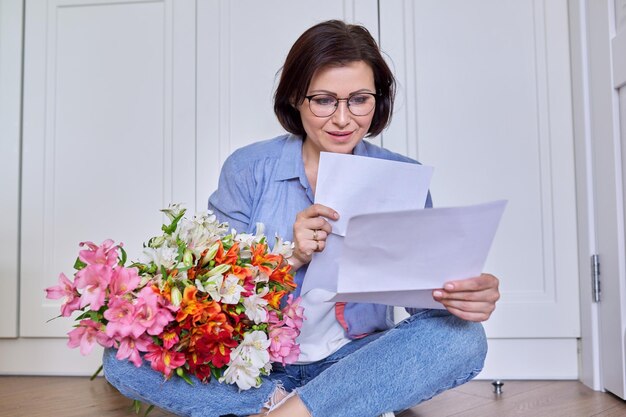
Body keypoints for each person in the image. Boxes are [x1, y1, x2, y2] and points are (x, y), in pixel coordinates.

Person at [103, 19, 500, 417]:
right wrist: (287, 259)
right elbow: (207, 298)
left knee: (463, 338)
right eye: (324, 100)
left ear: (377, 99)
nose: (343, 119)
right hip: (255, 368)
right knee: (122, 355)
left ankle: (297, 411)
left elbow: (422, 311)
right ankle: (303, 406)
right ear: (296, 97)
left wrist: (460, 297)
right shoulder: (248, 168)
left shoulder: (403, 177)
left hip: (354, 361)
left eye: (359, 99)